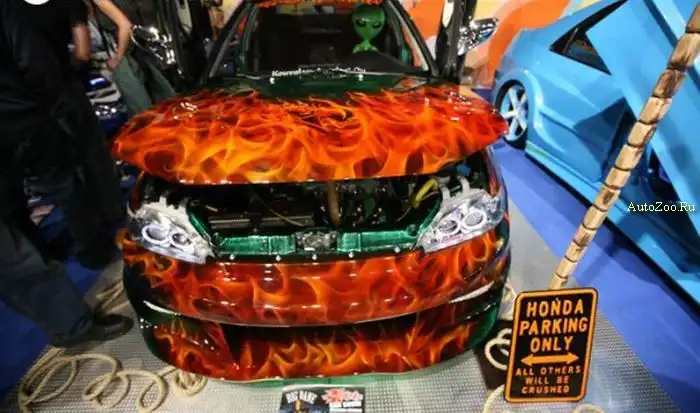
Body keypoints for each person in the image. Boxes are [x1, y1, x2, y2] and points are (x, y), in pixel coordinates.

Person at [0, 0, 132, 347]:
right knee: (66, 184)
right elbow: (38, 62)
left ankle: (49, 254)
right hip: (29, 114)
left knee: (11, 208)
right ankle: (91, 255)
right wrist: (47, 104)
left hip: (17, 118)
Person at [89, 0, 176, 115]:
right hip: (150, 51)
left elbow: (125, 25)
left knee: (142, 111)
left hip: (126, 55)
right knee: (165, 104)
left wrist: (118, 57)